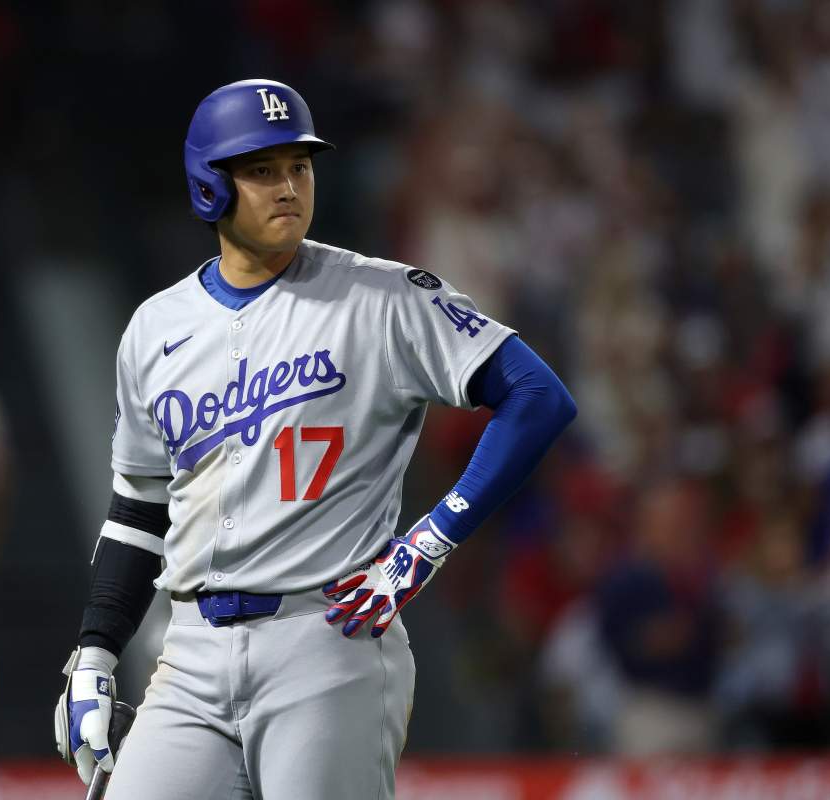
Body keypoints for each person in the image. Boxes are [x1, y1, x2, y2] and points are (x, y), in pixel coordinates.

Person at [53, 79, 577, 800]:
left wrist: (431, 540)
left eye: (299, 166)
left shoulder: (383, 296)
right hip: (189, 652)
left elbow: (537, 395)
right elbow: (139, 511)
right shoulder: (155, 326)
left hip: (326, 637)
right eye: (261, 169)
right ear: (210, 186)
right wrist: (96, 649)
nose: (288, 187)